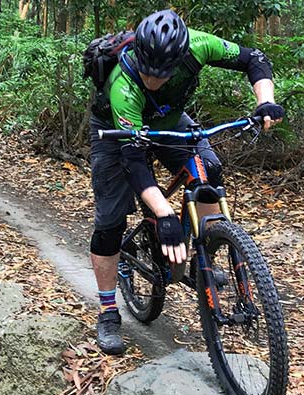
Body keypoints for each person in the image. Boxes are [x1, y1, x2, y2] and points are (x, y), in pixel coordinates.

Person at [89, 9, 285, 355]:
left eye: (162, 73)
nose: (154, 80)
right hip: (117, 130)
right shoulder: (123, 84)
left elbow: (254, 59)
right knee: (110, 220)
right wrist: (164, 215)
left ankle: (203, 255)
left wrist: (265, 101)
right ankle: (107, 312)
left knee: (208, 168)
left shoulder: (199, 45)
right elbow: (134, 163)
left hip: (171, 120)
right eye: (148, 70)